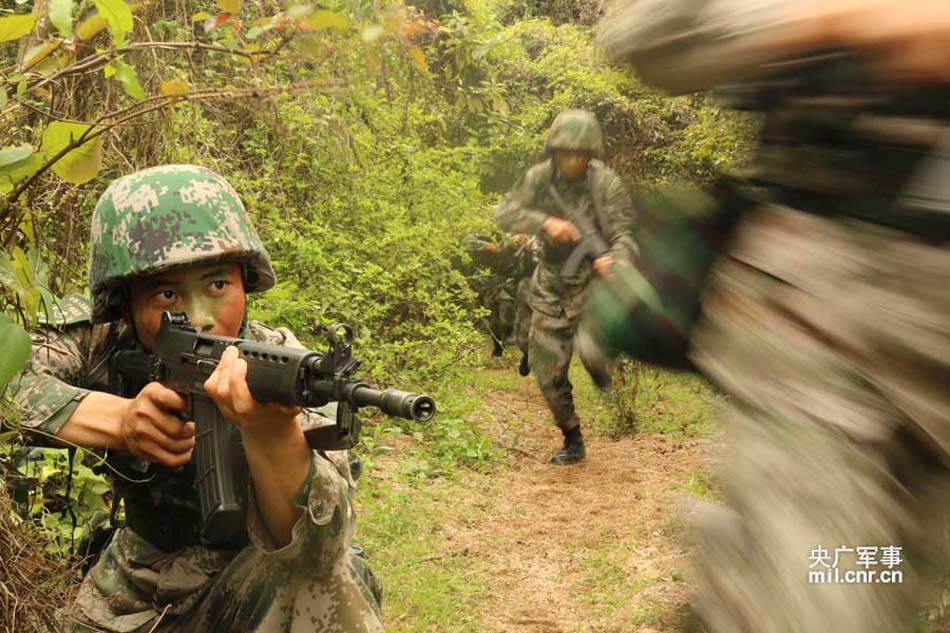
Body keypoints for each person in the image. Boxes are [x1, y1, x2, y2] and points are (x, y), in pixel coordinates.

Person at [597, 1, 950, 630]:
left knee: (889, 575)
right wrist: (830, 18)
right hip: (834, 347)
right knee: (825, 597)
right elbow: (647, 33)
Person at [9, 165, 383, 632]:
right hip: (135, 586)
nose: (199, 317)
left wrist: (272, 433)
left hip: (256, 582)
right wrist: (119, 420)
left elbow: (319, 553)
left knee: (329, 585)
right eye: (166, 294)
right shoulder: (102, 341)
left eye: (217, 285)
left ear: (246, 283)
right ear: (125, 305)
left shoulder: (286, 371)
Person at [495, 110, 637, 465]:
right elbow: (505, 214)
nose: (571, 160)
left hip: (595, 285)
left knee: (593, 348)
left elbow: (625, 233)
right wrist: (545, 222)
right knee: (546, 367)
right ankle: (572, 437)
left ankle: (603, 367)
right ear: (553, 151)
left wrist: (615, 259)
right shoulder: (539, 178)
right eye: (564, 152)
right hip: (552, 282)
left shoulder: (606, 183)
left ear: (591, 154)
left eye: (579, 153)